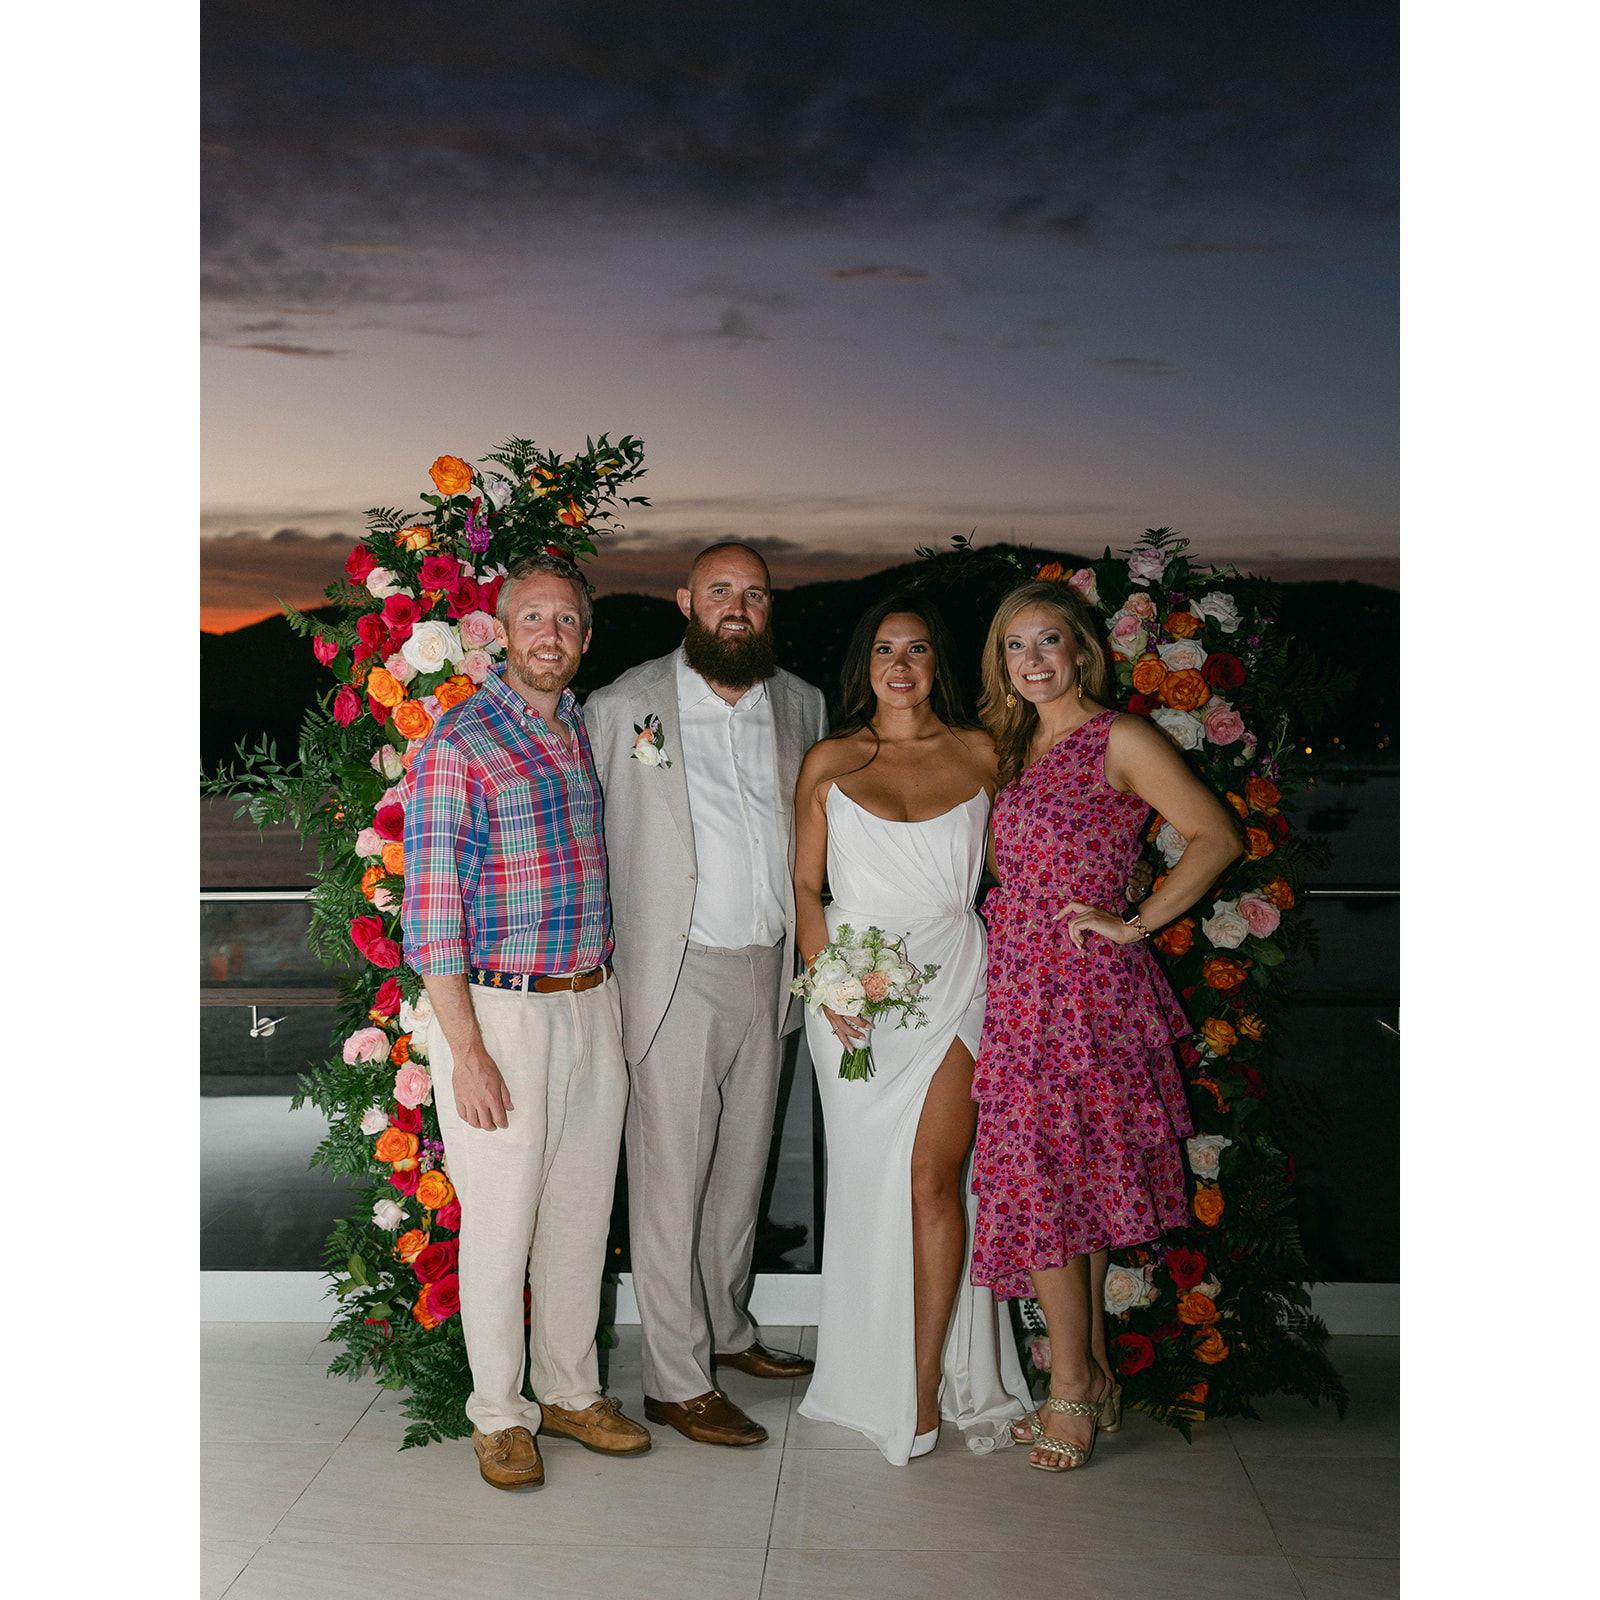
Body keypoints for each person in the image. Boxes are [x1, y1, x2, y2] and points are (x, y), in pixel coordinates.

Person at [970, 580, 1242, 1474]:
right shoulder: (1016, 744)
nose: (1033, 660)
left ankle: (1070, 1389)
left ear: (1082, 649)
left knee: (1049, 1183)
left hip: (1084, 991)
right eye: (1016, 646)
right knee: (1067, 1185)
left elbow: (1215, 836)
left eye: (1048, 641)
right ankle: (1092, 1376)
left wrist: (1134, 922)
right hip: (1020, 988)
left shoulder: (1120, 736)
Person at [400, 552, 650, 1491]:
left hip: (591, 1002)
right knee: (502, 1223)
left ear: (586, 637)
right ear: (501, 631)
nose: (552, 635)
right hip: (499, 1014)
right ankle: (499, 1415)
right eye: (534, 618)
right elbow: (432, 916)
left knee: (580, 1215)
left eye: (568, 620)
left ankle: (572, 1391)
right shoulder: (461, 742)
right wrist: (466, 1052)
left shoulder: (577, 728)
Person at [584, 542, 827, 1446]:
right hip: (673, 972)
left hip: (770, 967)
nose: (737, 606)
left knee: (740, 1173)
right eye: (720, 590)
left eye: (754, 594)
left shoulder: (801, 704)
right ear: (686, 601)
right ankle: (675, 1382)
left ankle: (726, 1329)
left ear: (768, 608)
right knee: (670, 1182)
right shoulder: (622, 705)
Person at [792, 598, 1032, 1466]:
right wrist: (828, 984)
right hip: (853, 992)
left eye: (918, 649)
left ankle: (926, 1378)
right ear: (866, 665)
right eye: (885, 650)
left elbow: (1018, 868)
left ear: (938, 664)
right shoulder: (830, 760)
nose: (901, 666)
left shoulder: (983, 752)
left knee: (934, 1177)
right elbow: (806, 888)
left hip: (957, 977)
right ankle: (866, 1367)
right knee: (868, 1186)